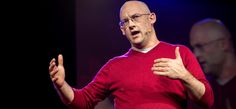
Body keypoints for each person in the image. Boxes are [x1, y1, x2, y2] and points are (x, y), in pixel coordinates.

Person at [49, 1, 214, 109]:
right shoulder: (114, 66)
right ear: (122, 30)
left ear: (152, 18)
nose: (131, 25)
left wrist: (185, 76)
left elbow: (207, 100)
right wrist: (61, 85)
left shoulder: (179, 54)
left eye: (135, 17)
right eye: (125, 22)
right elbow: (83, 100)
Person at [189, 18, 236, 109]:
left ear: (224, 44)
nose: (196, 55)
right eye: (194, 48)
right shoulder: (200, 93)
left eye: (200, 46)